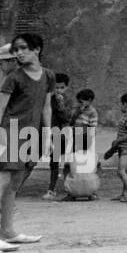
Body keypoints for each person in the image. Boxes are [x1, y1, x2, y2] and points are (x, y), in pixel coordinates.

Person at [0, 34, 53, 248]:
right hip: (9, 132)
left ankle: (6, 231)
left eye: (23, 48)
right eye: (16, 49)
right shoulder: (14, 78)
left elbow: (46, 107)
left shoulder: (48, 76)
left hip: (30, 134)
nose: (18, 53)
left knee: (14, 184)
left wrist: (47, 135)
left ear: (37, 49)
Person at [102, 92, 127, 202]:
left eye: (121, 104)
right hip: (125, 147)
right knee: (126, 171)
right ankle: (124, 194)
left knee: (121, 171)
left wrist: (117, 141)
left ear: (125, 104)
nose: (120, 106)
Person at [43, 72, 73, 200]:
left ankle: (62, 188)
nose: (59, 90)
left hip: (62, 134)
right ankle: (52, 189)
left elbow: (67, 118)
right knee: (51, 161)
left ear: (66, 88)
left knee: (62, 162)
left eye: (62, 87)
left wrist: (61, 105)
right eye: (56, 87)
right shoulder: (48, 99)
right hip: (49, 132)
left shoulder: (68, 101)